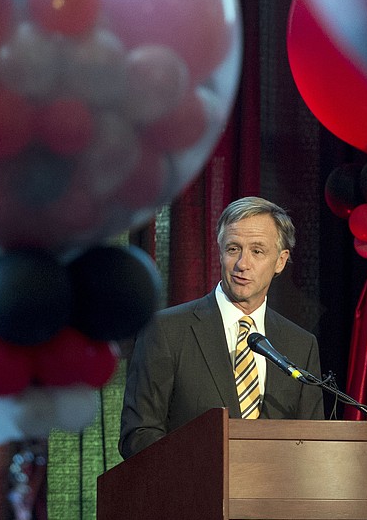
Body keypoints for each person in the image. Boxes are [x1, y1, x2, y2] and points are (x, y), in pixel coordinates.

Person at [119, 196, 325, 459]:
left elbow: (312, 445)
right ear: (220, 252)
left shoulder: (300, 344)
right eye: (233, 249)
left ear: (281, 261)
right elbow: (138, 435)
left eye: (257, 251)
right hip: (194, 494)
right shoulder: (166, 330)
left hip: (272, 497)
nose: (242, 264)